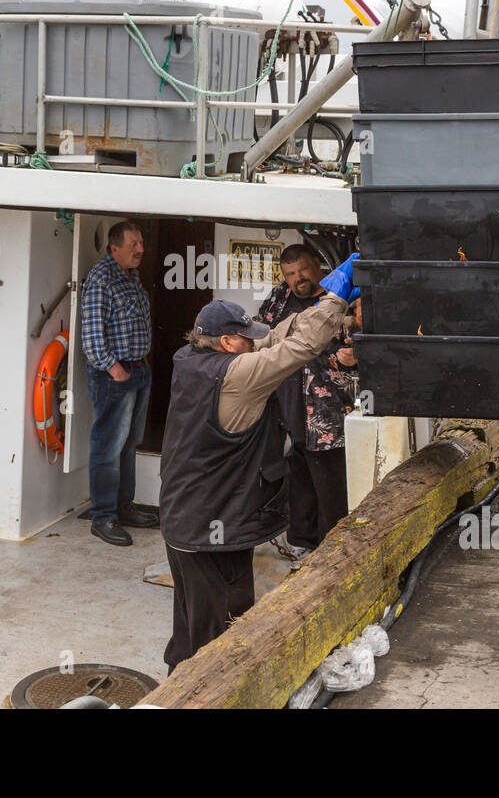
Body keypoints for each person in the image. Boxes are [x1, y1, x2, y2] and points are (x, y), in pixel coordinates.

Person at [158, 254, 359, 673]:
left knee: (190, 623)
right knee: (221, 639)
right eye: (245, 336)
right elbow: (299, 349)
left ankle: (176, 679)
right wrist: (336, 303)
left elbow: (277, 338)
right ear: (229, 343)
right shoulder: (239, 375)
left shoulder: (190, 358)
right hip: (211, 528)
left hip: (182, 520)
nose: (254, 339)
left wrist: (322, 303)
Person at [256, 245, 357, 558]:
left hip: (331, 410)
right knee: (297, 472)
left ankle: (331, 551)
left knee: (331, 483)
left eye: (303, 270)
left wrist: (356, 358)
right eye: (290, 274)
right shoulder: (278, 298)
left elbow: (374, 337)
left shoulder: (343, 296)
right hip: (287, 403)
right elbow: (260, 333)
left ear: (318, 264)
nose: (298, 278)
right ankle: (301, 541)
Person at [79, 220, 159, 546]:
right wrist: (117, 371)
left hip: (138, 371)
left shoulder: (131, 276)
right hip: (116, 375)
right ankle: (103, 517)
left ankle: (124, 508)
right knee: (108, 448)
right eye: (133, 245)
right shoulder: (101, 279)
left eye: (141, 242)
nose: (140, 249)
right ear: (114, 248)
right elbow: (92, 339)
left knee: (129, 445)